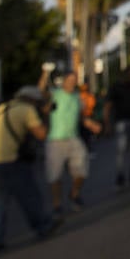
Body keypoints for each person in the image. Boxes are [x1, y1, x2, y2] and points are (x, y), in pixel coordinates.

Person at [0, 81, 60, 252]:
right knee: (28, 193)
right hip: (8, 159)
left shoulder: (1, 108)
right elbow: (42, 134)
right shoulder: (27, 110)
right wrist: (46, 114)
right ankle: (42, 225)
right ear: (32, 100)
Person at [44, 73, 100, 214]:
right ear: (64, 81)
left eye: (74, 80)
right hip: (56, 139)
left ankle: (74, 194)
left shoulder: (77, 98)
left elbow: (82, 118)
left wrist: (91, 124)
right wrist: (45, 73)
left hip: (73, 138)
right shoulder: (55, 94)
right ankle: (57, 204)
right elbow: (42, 96)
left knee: (82, 168)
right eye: (69, 80)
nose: (72, 83)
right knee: (55, 175)